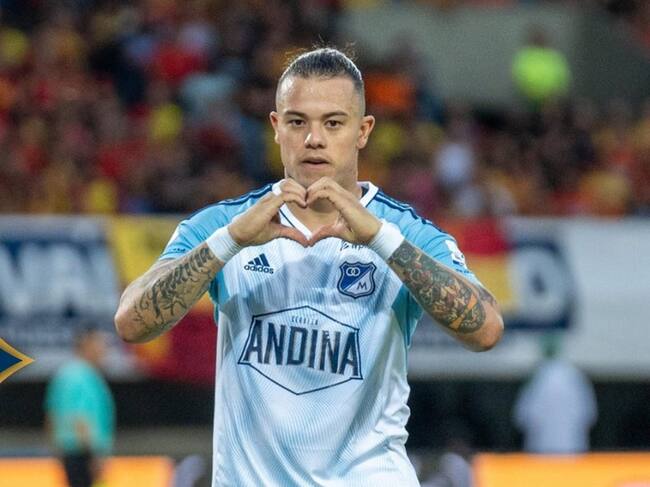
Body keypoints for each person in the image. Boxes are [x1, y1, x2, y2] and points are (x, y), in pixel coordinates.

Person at [115, 47, 503, 486]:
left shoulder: (402, 232)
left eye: (333, 123)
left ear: (363, 131)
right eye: (298, 122)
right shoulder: (228, 226)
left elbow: (486, 329)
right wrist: (229, 243)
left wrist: (381, 241)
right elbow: (131, 323)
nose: (314, 139)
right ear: (276, 127)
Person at [44, 328, 115, 487]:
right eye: (100, 345)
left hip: (69, 452)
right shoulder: (83, 377)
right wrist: (95, 456)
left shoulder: (64, 375)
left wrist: (57, 451)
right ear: (87, 345)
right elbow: (80, 418)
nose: (104, 350)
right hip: (84, 452)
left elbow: (50, 416)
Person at [513, 334, 597, 454]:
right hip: (572, 449)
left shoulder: (536, 378)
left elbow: (522, 416)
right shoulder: (575, 376)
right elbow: (590, 414)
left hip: (542, 450)